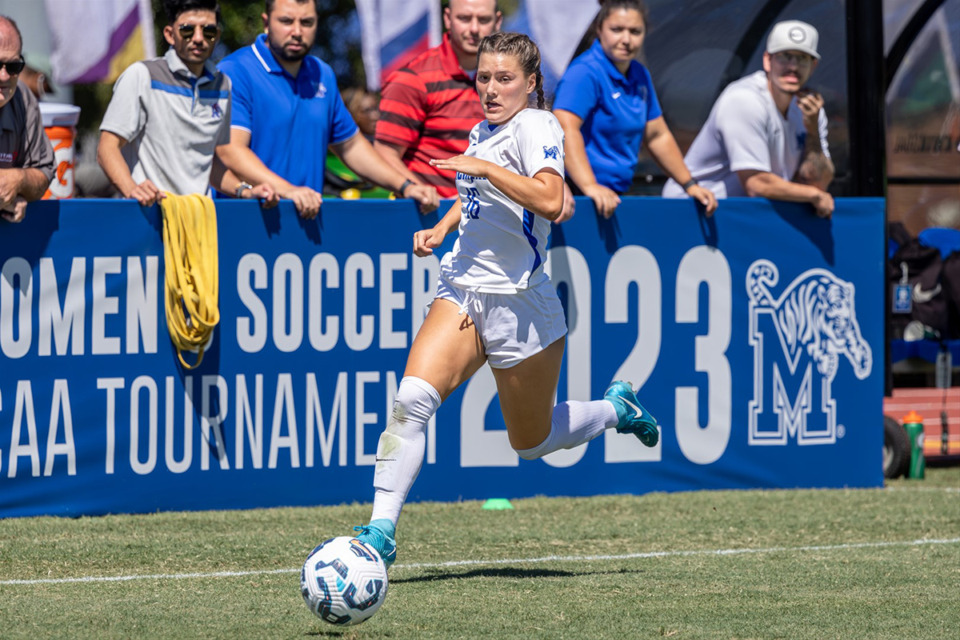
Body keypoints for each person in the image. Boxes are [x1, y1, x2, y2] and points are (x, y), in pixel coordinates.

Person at [350, 32, 660, 568]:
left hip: (522, 304)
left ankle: (615, 409)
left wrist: (487, 169)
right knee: (412, 403)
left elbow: (551, 197)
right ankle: (380, 532)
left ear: (531, 83)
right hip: (464, 288)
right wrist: (444, 227)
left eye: (504, 79)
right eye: (484, 77)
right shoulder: (482, 129)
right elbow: (476, 196)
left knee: (531, 442)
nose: (490, 89)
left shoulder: (539, 125)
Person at [216, 0, 439, 219]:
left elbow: (351, 147)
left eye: (306, 22)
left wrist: (405, 185)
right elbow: (231, 151)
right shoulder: (235, 71)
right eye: (286, 21)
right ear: (266, 23)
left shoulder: (322, 74)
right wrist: (289, 191)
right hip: (243, 223)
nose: (296, 31)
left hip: (306, 220)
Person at [97, 0, 276, 207]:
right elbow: (107, 148)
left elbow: (208, 164)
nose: (198, 38)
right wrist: (132, 190)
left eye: (208, 30)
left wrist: (244, 191)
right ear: (169, 34)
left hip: (200, 224)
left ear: (217, 36)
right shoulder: (141, 75)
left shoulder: (222, 85)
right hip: (149, 220)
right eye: (187, 30)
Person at [553, 0, 716, 219]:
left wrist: (689, 185)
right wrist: (590, 186)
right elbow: (564, 128)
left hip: (614, 196)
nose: (626, 40)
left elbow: (657, 135)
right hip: (579, 198)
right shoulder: (585, 72)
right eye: (617, 30)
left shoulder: (639, 74)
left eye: (635, 31)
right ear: (599, 29)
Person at [662, 20, 834, 218]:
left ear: (813, 67)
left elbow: (817, 182)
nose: (793, 66)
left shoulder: (811, 110)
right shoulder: (744, 99)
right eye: (785, 56)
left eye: (802, 58)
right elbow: (756, 184)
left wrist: (812, 130)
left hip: (738, 216)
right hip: (690, 210)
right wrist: (813, 195)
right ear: (767, 61)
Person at [373, 0, 502, 199]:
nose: (474, 28)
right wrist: (421, 193)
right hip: (431, 219)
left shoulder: (508, 81)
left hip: (493, 219)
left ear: (498, 21)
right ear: (447, 19)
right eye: (464, 18)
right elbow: (384, 154)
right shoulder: (413, 79)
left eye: (483, 19)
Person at [0, 15, 54, 224]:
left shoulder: (24, 98)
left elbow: (44, 172)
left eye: (13, 67)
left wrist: (18, 182)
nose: (4, 76)